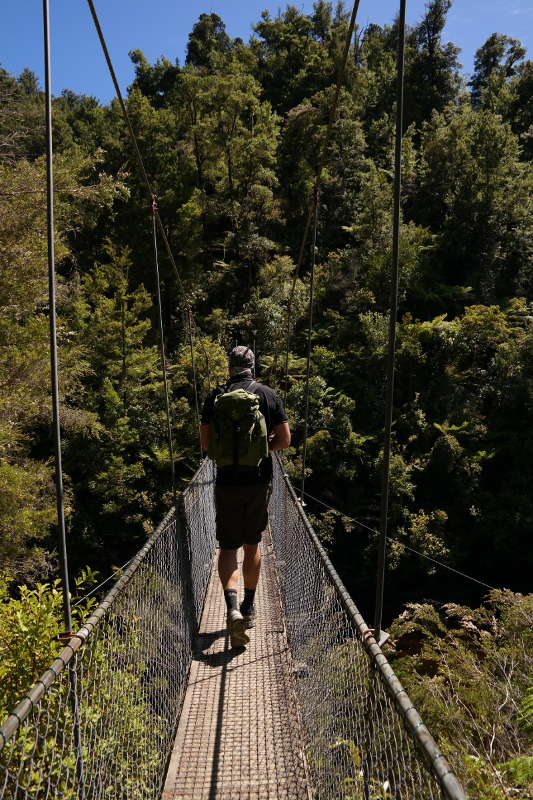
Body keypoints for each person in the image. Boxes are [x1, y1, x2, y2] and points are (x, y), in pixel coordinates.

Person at [200, 346, 291, 647]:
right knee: (252, 545)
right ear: (253, 366)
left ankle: (232, 607)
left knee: (227, 548)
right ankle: (250, 607)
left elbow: (206, 445)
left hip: (226, 482)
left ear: (229, 367)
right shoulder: (268, 395)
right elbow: (286, 440)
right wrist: (263, 448)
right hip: (258, 483)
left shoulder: (214, 397)